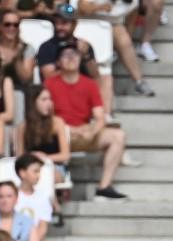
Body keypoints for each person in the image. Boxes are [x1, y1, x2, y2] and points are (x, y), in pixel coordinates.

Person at [44, 44, 128, 200]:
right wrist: (70, 129)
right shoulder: (49, 84)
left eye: (74, 54)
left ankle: (104, 187)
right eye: (65, 55)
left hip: (84, 134)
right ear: (58, 62)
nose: (71, 58)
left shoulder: (89, 84)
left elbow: (99, 116)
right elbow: (45, 117)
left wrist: (92, 131)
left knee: (118, 136)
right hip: (59, 135)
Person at [15, 85, 71, 186]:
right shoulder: (23, 127)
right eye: (44, 99)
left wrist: (45, 157)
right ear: (33, 102)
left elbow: (65, 155)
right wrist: (33, 158)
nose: (49, 103)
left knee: (44, 175)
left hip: (55, 166)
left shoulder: (57, 123)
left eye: (49, 99)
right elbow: (20, 156)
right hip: (31, 166)